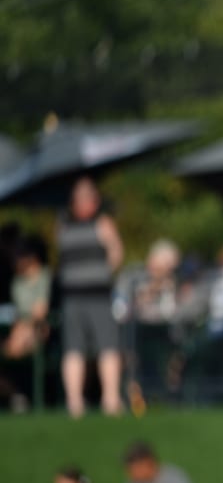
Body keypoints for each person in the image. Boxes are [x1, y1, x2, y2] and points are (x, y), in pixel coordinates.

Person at [57, 176, 125, 418]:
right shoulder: (63, 224)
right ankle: (74, 403)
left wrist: (104, 273)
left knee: (107, 346)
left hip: (98, 294)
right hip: (73, 296)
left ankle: (111, 400)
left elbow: (116, 253)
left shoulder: (102, 223)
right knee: (73, 349)